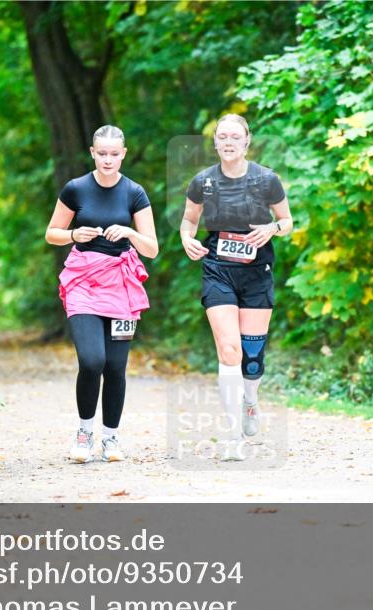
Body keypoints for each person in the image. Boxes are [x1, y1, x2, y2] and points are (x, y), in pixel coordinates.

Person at [179, 114, 293, 461]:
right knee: (229, 350)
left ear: (246, 142)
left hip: (258, 272)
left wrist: (272, 230)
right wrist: (187, 238)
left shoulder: (265, 179)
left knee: (252, 359)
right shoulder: (203, 182)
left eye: (235, 137)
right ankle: (231, 437)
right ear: (215, 143)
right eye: (222, 137)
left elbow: (287, 221)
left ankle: (251, 400)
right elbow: (189, 220)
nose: (228, 142)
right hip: (218, 270)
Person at [46, 125, 158, 464]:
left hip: (122, 286)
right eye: (102, 153)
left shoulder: (134, 193)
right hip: (83, 281)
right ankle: (84, 432)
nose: (108, 159)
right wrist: (73, 234)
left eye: (114, 154)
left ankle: (110, 437)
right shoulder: (76, 189)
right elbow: (51, 233)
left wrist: (128, 231)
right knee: (92, 360)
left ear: (123, 154)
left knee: (115, 366)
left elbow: (151, 247)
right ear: (92, 153)